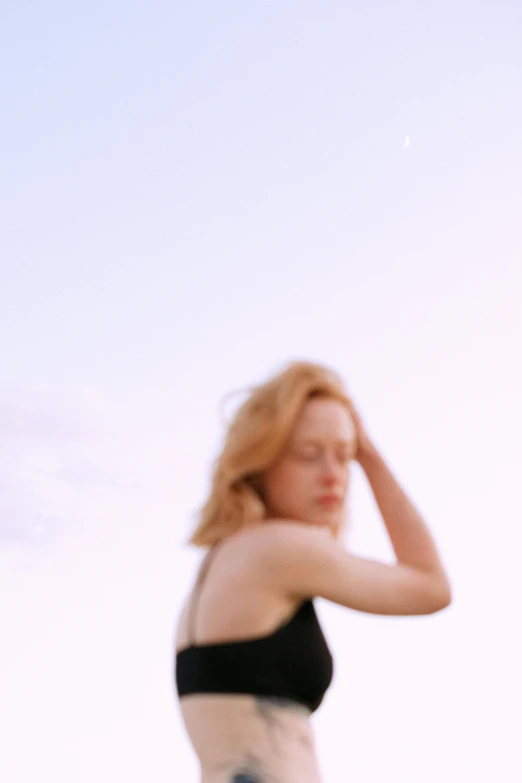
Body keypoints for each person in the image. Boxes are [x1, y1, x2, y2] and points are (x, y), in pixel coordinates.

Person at [174, 360, 451, 783]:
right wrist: (371, 458)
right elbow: (431, 587)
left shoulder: (226, 557)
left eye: (345, 455)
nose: (334, 476)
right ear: (261, 457)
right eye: (308, 454)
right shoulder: (280, 548)